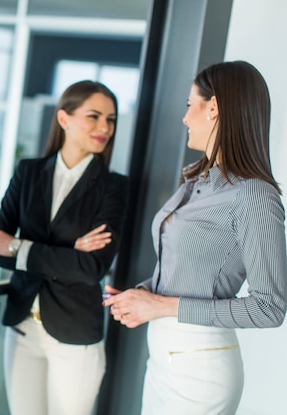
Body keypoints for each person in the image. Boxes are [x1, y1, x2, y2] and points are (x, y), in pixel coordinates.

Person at [103, 60, 287, 415]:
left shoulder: (254, 196)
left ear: (214, 108)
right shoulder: (197, 181)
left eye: (190, 106)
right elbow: (183, 270)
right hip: (163, 357)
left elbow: (270, 308)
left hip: (201, 370)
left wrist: (161, 306)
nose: (185, 118)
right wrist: (143, 294)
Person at [0, 80, 129, 415]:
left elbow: (92, 267)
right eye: (94, 117)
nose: (104, 127)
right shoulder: (28, 172)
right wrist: (68, 248)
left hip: (75, 335)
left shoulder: (113, 187)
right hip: (23, 329)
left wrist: (18, 247)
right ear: (64, 118)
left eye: (111, 120)